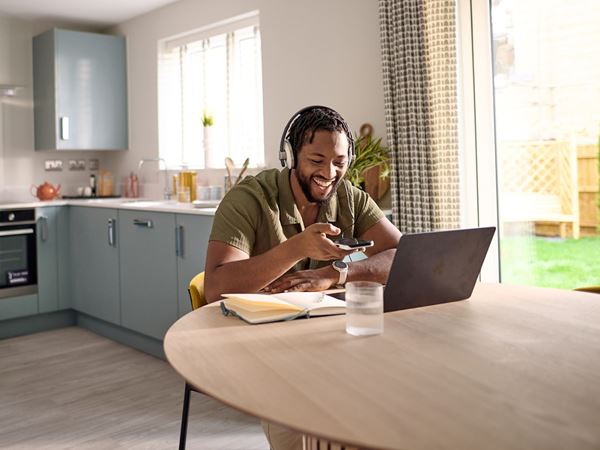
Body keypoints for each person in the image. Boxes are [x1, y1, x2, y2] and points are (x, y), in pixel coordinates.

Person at [204, 105, 401, 449]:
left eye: (340, 162)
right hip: (263, 343)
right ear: (291, 157)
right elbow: (216, 288)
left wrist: (335, 274)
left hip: (329, 337)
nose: (329, 172)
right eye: (316, 160)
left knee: (377, 410)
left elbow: (402, 254)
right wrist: (296, 248)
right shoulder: (248, 199)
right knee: (299, 431)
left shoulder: (350, 198)